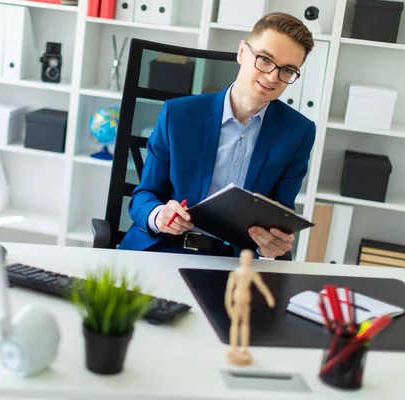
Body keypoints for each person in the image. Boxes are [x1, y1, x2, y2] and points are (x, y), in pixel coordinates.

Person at [118, 12, 316, 259]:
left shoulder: (298, 132)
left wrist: (272, 246)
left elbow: (281, 215)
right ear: (242, 52)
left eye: (287, 70)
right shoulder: (178, 114)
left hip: (236, 262)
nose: (272, 77)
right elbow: (143, 196)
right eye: (265, 60)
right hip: (165, 248)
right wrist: (159, 215)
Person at [224, 249, 275, 365]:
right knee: (235, 324)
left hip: (246, 300)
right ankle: (234, 347)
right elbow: (229, 291)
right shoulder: (236, 273)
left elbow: (261, 286)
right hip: (237, 299)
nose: (246, 261)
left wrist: (269, 297)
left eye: (248, 259)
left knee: (245, 324)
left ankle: (244, 348)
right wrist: (228, 305)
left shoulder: (252, 273)